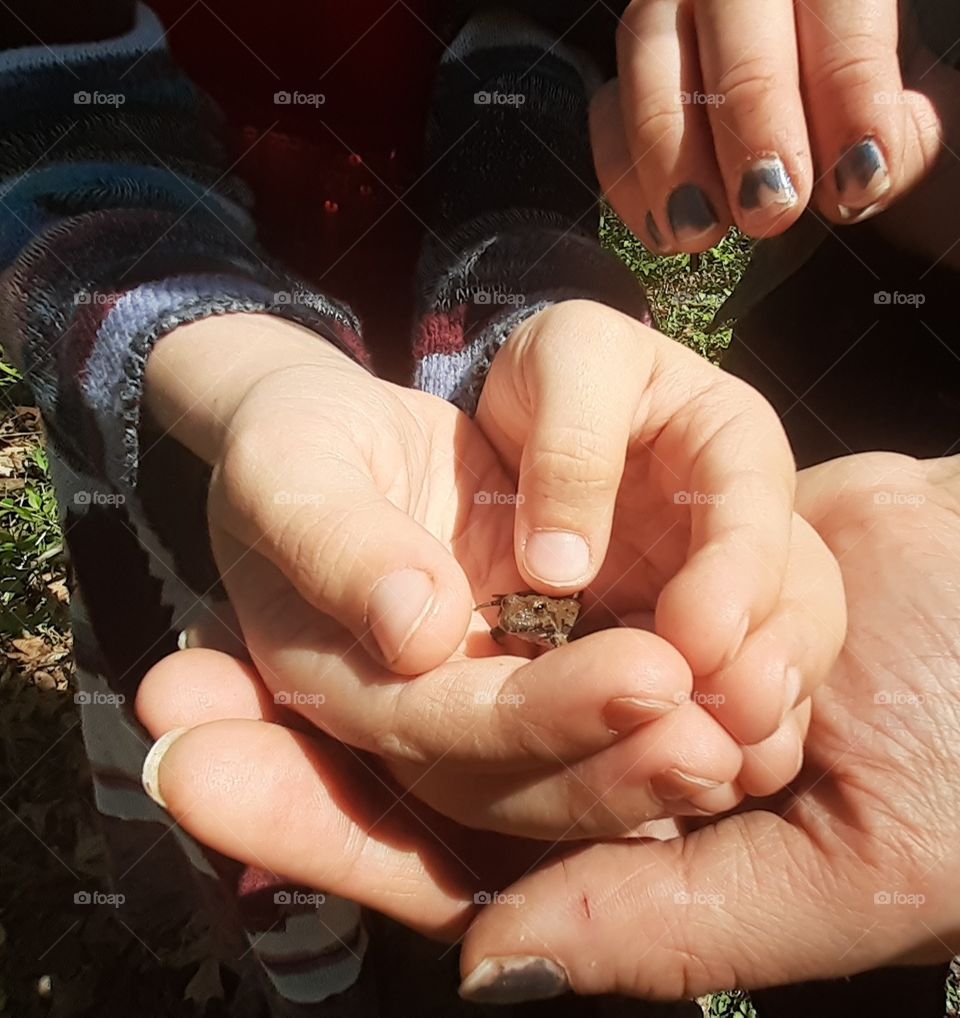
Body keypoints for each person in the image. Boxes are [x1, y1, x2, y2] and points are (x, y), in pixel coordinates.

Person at [1, 2, 843, 1015]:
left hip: (476, 349)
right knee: (274, 783)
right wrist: (236, 374)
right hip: (180, 412)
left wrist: (532, 322)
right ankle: (311, 973)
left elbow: (544, 74)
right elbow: (51, 113)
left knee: (525, 844)